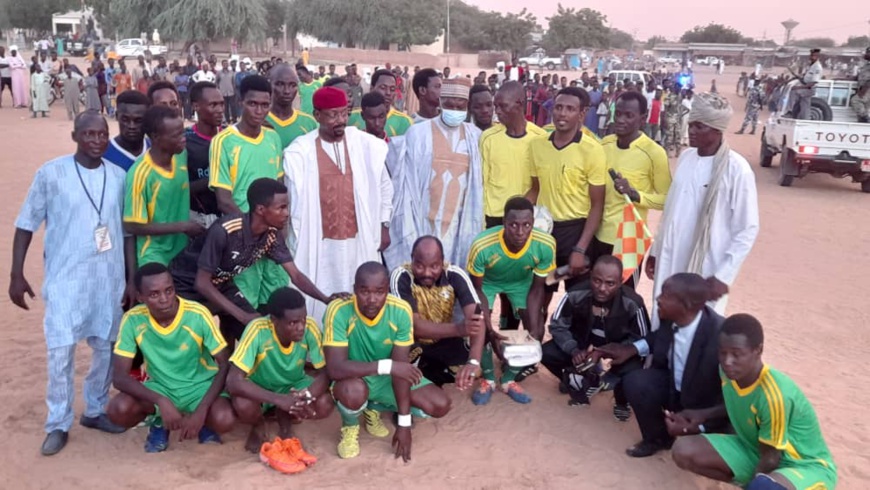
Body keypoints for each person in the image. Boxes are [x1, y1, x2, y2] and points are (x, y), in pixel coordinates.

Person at [10, 111, 133, 456]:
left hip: (108, 279)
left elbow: (125, 232)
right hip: (65, 279)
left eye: (102, 135)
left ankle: (94, 409)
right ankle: (58, 423)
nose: (96, 141)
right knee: (61, 350)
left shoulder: (118, 176)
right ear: (75, 136)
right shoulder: (52, 173)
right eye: (89, 134)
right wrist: (16, 274)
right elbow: (26, 223)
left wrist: (131, 278)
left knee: (107, 347)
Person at [671, 314, 837, 490]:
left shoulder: (774, 395)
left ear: (758, 350)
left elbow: (773, 457)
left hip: (799, 464)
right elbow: (742, 403)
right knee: (683, 450)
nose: (727, 361)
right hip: (755, 450)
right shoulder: (728, 373)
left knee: (763, 487)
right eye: (722, 352)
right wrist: (702, 415)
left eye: (736, 354)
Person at [170, 178, 338, 342]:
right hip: (185, 285)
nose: (287, 214)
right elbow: (202, 283)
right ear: (261, 209)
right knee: (191, 338)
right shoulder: (225, 230)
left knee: (260, 333)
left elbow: (296, 275)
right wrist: (242, 316)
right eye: (281, 208)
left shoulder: (272, 234)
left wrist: (325, 299)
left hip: (221, 285)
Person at [647, 93, 759, 330]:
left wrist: (723, 276)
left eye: (700, 126)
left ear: (718, 130)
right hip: (670, 256)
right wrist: (656, 251)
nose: (692, 131)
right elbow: (670, 210)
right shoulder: (687, 158)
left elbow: (747, 229)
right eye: (691, 125)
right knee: (663, 319)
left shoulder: (737, 169)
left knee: (697, 329)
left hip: (707, 267)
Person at [284, 87, 392, 323]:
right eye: (332, 115)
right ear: (317, 115)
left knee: (361, 293)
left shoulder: (365, 145)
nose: (340, 121)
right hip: (318, 244)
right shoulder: (299, 152)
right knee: (319, 300)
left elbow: (384, 186)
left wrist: (384, 224)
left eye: (344, 113)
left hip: (360, 239)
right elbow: (291, 204)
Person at [324, 262, 452, 460]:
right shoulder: (338, 310)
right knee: (353, 392)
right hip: (353, 378)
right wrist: (388, 366)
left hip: (385, 378)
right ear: (354, 290)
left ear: (387, 291)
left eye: (379, 292)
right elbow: (335, 368)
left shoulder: (400, 311)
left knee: (440, 404)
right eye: (364, 291)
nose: (372, 300)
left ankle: (372, 408)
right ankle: (350, 426)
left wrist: (404, 423)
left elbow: (400, 370)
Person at [106, 263, 235, 452]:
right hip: (161, 387)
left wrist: (202, 410)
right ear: (141, 297)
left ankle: (202, 423)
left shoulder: (197, 314)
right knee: (118, 410)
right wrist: (161, 400)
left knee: (224, 419)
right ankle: (159, 422)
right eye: (154, 294)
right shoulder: (133, 320)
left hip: (199, 386)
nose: (165, 299)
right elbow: (120, 377)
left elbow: (225, 364)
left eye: (169, 290)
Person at [596, 273, 727, 458]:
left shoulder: (720, 335)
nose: (658, 299)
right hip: (675, 388)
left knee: (699, 449)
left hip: (704, 403)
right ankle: (656, 440)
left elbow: (733, 396)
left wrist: (702, 418)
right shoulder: (673, 318)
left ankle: (700, 435)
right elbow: (657, 337)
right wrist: (631, 349)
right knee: (636, 381)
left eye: (665, 295)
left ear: (686, 305)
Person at [386, 77, 483, 270]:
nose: (454, 110)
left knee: (455, 273)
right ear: (440, 102)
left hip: (459, 223)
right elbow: (406, 182)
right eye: (449, 105)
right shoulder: (418, 134)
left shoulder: (475, 135)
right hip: (423, 219)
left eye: (460, 106)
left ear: (467, 106)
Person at [466, 197, 555, 405]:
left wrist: (533, 327)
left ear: (533, 223)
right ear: (504, 222)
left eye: (527, 225)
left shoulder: (545, 244)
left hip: (521, 284)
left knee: (537, 331)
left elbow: (537, 288)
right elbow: (476, 291)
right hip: (487, 284)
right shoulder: (482, 245)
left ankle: (508, 379)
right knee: (480, 327)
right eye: (513, 224)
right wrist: (489, 328)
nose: (520, 231)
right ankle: (488, 378)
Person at [209, 75, 287, 308]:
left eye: (265, 105)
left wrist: (276, 234)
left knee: (275, 303)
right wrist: (255, 235)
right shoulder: (223, 142)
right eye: (253, 104)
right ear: (241, 102)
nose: (259, 110)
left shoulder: (273, 138)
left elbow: (280, 190)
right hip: (241, 241)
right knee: (241, 308)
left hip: (272, 239)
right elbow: (224, 200)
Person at [227, 287, 334, 453]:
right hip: (261, 388)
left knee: (324, 404)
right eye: (293, 323)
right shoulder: (258, 330)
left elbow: (326, 372)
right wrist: (279, 399)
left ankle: (285, 419)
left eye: (303, 320)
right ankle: (259, 423)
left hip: (294, 385)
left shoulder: (310, 328)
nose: (301, 327)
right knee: (242, 404)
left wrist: (306, 396)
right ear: (274, 321)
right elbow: (233, 381)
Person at [542, 256, 649, 415]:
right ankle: (581, 377)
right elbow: (558, 325)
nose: (602, 288)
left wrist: (611, 350)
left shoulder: (633, 303)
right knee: (547, 353)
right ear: (590, 276)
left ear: (620, 282)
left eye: (610, 283)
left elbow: (643, 339)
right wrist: (574, 350)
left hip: (618, 346)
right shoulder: (575, 293)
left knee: (633, 369)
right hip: (582, 342)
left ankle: (621, 400)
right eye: (597, 281)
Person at [527, 87, 606, 296]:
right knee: (539, 292)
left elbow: (597, 204)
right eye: (559, 107)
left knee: (577, 298)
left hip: (576, 233)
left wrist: (580, 248)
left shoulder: (592, 150)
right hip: (544, 232)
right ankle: (535, 331)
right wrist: (517, 217)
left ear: (582, 114)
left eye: (570, 109)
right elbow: (535, 189)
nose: (562, 113)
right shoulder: (537, 145)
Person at [390, 235, 485, 388]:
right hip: (412, 342)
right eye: (420, 266)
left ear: (442, 262)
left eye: (434, 266)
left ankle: (432, 372)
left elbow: (476, 320)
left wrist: (473, 362)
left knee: (474, 370)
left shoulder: (454, 274)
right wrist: (459, 329)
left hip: (444, 339)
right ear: (412, 259)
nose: (427, 273)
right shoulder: (401, 276)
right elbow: (414, 326)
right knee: (403, 370)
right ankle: (427, 375)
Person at [597, 91, 671, 281]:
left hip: (629, 240)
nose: (621, 120)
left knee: (624, 300)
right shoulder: (604, 145)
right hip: (597, 236)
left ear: (642, 119)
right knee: (595, 296)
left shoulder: (654, 153)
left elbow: (668, 199)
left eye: (628, 115)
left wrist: (636, 195)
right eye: (618, 113)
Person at [124, 106, 204, 267]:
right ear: (156, 137)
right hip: (154, 256)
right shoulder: (140, 175)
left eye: (183, 132)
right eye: (177, 135)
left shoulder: (180, 155)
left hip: (181, 250)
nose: (183, 139)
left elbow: (178, 189)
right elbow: (131, 225)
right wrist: (182, 226)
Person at [481, 81, 548, 229]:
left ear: (519, 104)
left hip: (524, 218)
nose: (497, 111)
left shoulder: (540, 138)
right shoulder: (488, 138)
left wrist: (521, 209)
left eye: (503, 106)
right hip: (494, 216)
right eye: (495, 106)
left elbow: (541, 184)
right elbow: (482, 183)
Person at [186, 81, 223, 228]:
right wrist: (216, 179)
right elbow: (181, 189)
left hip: (228, 217)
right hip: (199, 221)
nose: (220, 110)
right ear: (196, 106)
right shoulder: (185, 142)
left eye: (222, 104)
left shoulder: (230, 137)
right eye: (213, 105)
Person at [265, 64, 318, 149]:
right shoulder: (259, 121)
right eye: (280, 84)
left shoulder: (309, 123)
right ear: (270, 85)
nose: (287, 91)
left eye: (293, 85)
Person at [103, 90, 150, 172]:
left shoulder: (155, 149)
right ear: (117, 116)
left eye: (138, 120)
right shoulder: (104, 154)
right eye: (125, 119)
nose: (131, 126)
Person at [370, 69, 414, 136]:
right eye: (383, 87)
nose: (388, 93)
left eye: (392, 89)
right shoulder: (353, 117)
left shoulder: (405, 122)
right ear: (371, 89)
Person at [789, 49, 823, 120]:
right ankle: (805, 119)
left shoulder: (817, 67)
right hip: (805, 87)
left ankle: (790, 111)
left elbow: (813, 83)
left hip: (809, 89)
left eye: (814, 55)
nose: (811, 57)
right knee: (805, 105)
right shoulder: (810, 65)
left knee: (794, 91)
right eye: (811, 55)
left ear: (817, 56)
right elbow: (806, 78)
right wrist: (799, 77)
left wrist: (799, 87)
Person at [849, 47, 870, 122]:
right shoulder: (866, 65)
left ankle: (866, 118)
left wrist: (865, 89)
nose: (866, 54)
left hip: (867, 90)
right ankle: (864, 125)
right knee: (864, 108)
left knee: (855, 100)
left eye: (868, 52)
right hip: (862, 88)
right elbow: (859, 76)